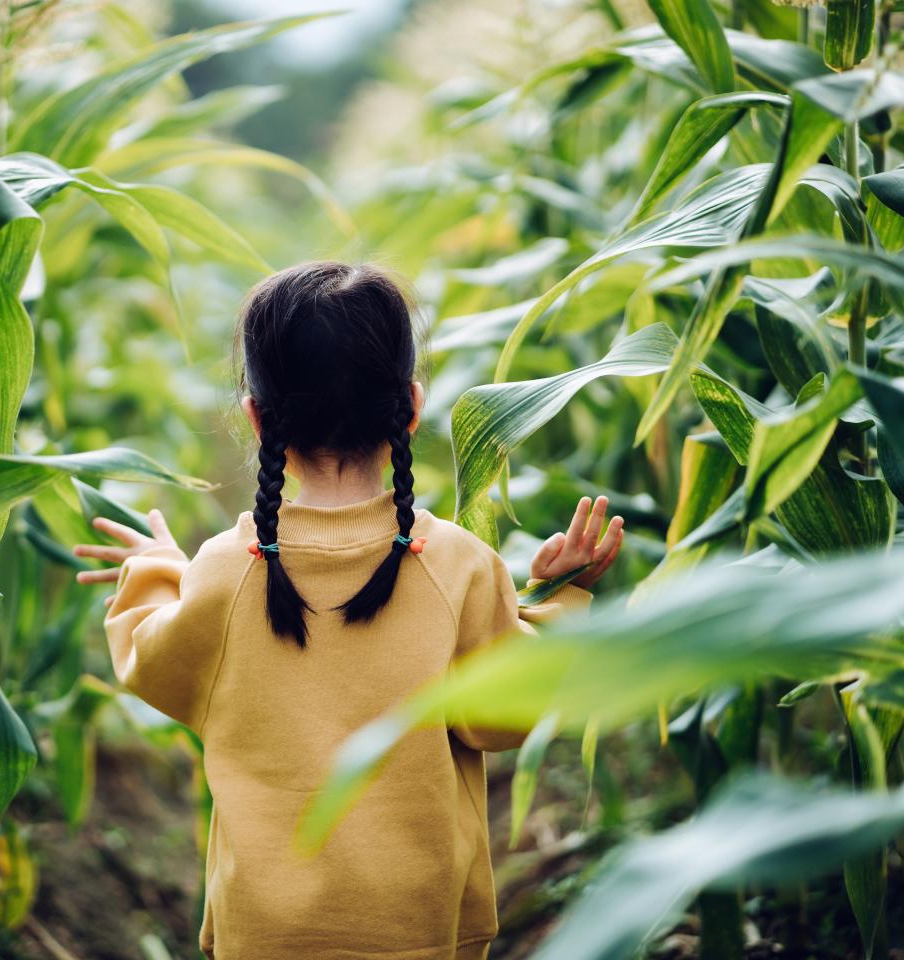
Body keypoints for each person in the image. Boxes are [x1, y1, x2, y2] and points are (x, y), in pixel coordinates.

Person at [73, 262, 624, 960]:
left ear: (257, 418)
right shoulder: (454, 565)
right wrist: (557, 598)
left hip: (264, 935)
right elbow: (504, 711)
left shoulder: (226, 572)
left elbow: (155, 659)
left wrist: (156, 570)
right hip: (422, 931)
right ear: (413, 407)